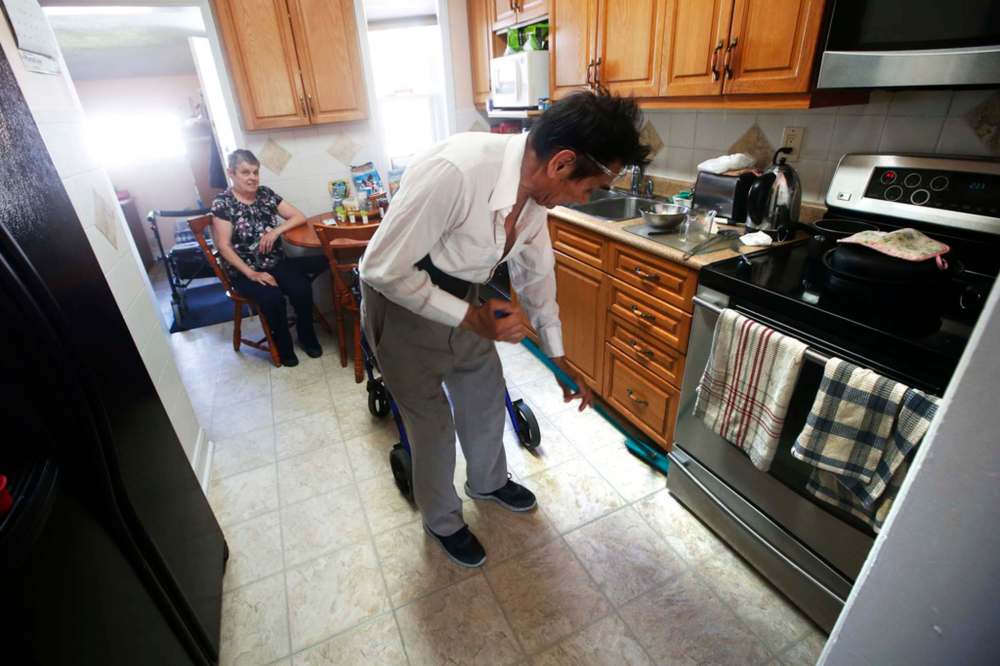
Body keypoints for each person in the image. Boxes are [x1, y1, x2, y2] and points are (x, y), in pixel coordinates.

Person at [359, 91, 650, 567]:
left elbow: (537, 272)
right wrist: (470, 317)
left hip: (468, 295)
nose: (584, 199)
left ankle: (489, 483)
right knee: (432, 425)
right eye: (590, 188)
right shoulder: (456, 171)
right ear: (561, 163)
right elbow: (380, 269)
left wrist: (558, 357)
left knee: (484, 392)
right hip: (402, 299)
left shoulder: (536, 192)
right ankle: (442, 518)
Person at [212, 149, 328, 367]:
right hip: (244, 270)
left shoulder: (265, 194)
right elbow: (224, 247)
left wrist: (275, 232)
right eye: (245, 172)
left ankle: (306, 336)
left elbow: (299, 216)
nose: (252, 178)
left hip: (275, 261)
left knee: (301, 288)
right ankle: (283, 346)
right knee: (272, 297)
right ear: (231, 173)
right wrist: (252, 273)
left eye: (255, 172)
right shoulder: (223, 203)